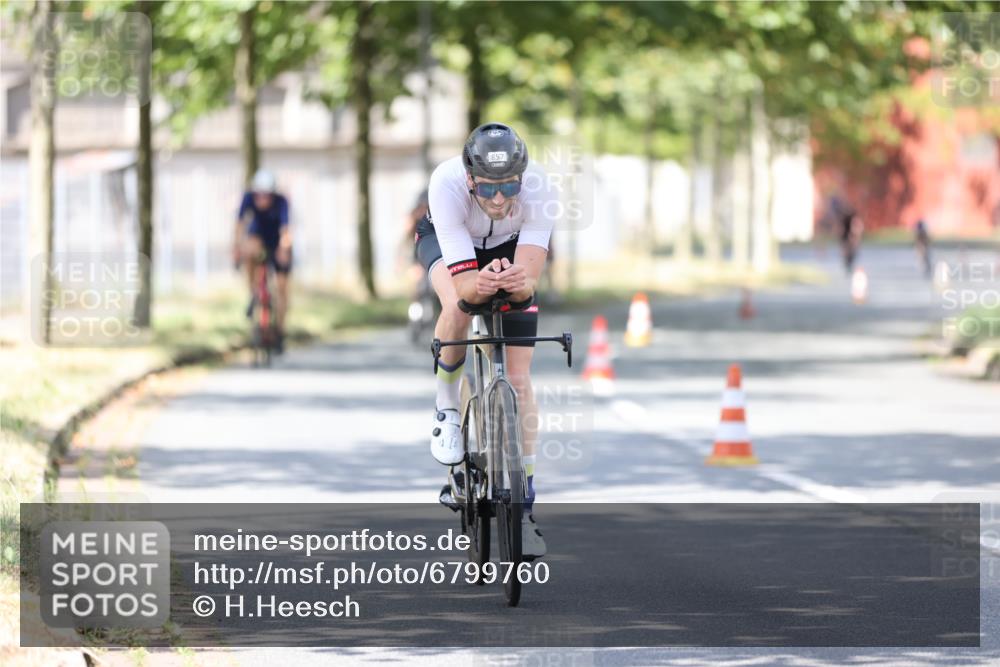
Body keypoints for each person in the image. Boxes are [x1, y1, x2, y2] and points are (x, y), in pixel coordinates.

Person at [415, 122, 556, 558]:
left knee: (518, 380)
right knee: (459, 308)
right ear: (471, 178)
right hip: (448, 241)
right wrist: (481, 284)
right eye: (489, 188)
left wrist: (519, 284)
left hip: (508, 248)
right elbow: (465, 289)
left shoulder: (540, 190)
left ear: (522, 177)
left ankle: (525, 503)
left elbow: (529, 281)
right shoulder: (447, 184)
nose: (499, 198)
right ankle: (447, 406)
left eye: (509, 185)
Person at [234, 169, 292, 353]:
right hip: (258, 237)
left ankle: (280, 331)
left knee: (282, 287)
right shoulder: (248, 198)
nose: (262, 199)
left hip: (277, 241)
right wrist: (236, 247)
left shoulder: (282, 202)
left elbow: (285, 231)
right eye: (259, 195)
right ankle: (253, 293)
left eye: (266, 196)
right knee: (249, 251)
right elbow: (239, 224)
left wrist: (283, 250)